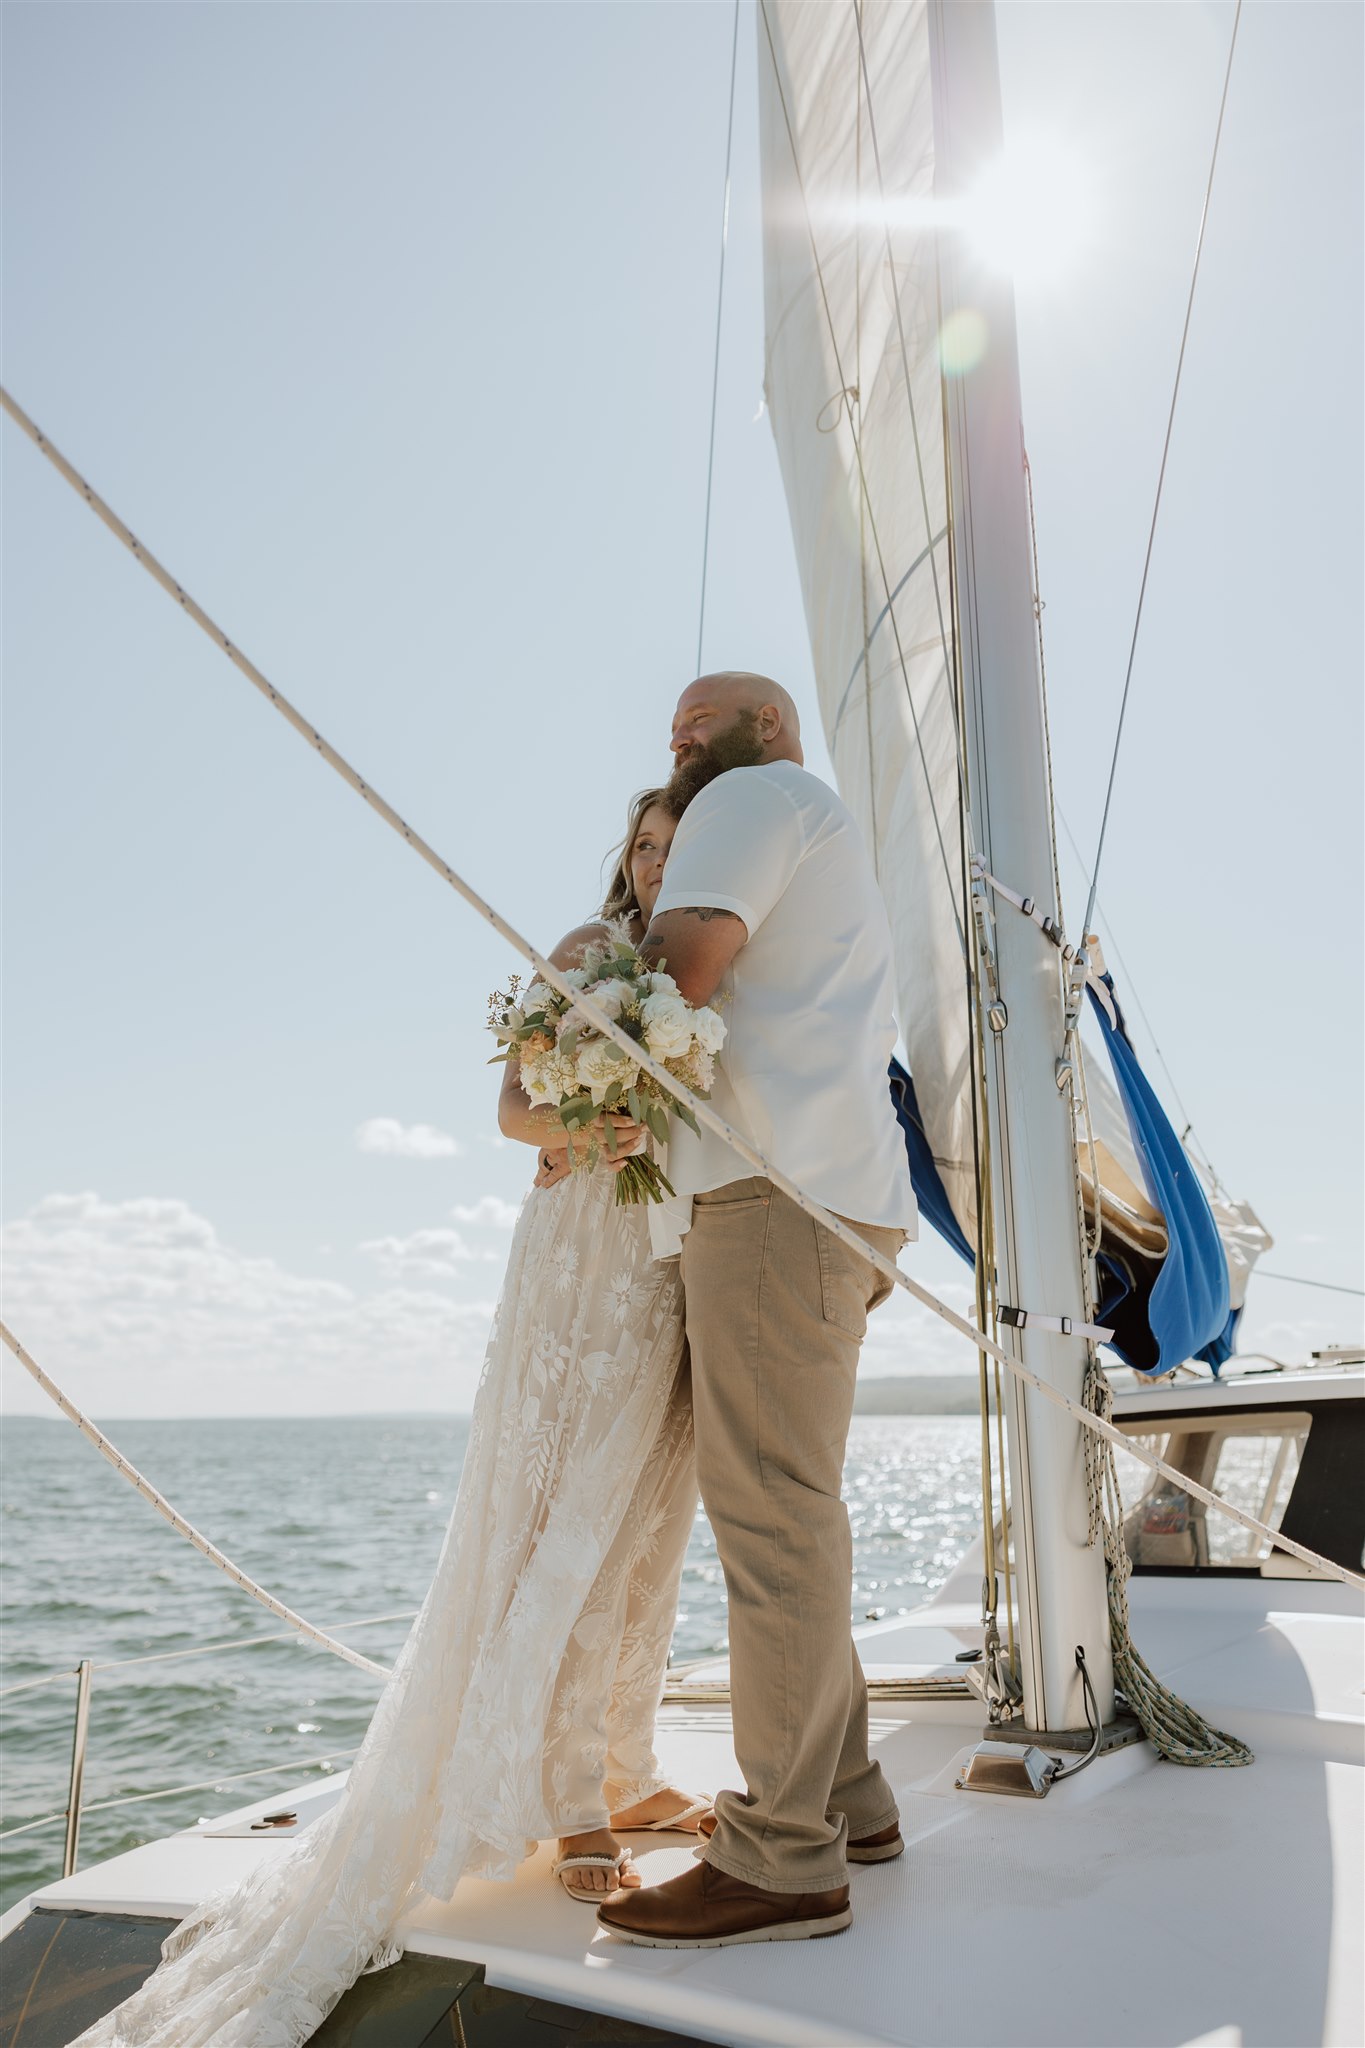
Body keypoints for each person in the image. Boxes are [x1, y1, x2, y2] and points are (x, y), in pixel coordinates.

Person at [74, 789, 706, 2048]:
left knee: (649, 1505)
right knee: (562, 1509)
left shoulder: (711, 966)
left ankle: (626, 1763)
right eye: (644, 841)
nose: (657, 860)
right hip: (579, 1253)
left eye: (677, 844)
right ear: (625, 856)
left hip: (667, 1250)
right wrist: (593, 1124)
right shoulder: (590, 951)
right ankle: (569, 1794)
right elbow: (512, 1111)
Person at [597, 673, 918, 1950]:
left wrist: (581, 1061)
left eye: (702, 718)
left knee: (773, 1523)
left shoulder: (747, 798)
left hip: (774, 1194)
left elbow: (680, 970)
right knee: (795, 1510)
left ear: (768, 725)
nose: (679, 735)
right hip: (824, 1194)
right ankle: (850, 1796)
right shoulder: (810, 816)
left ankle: (782, 1856)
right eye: (671, 725)